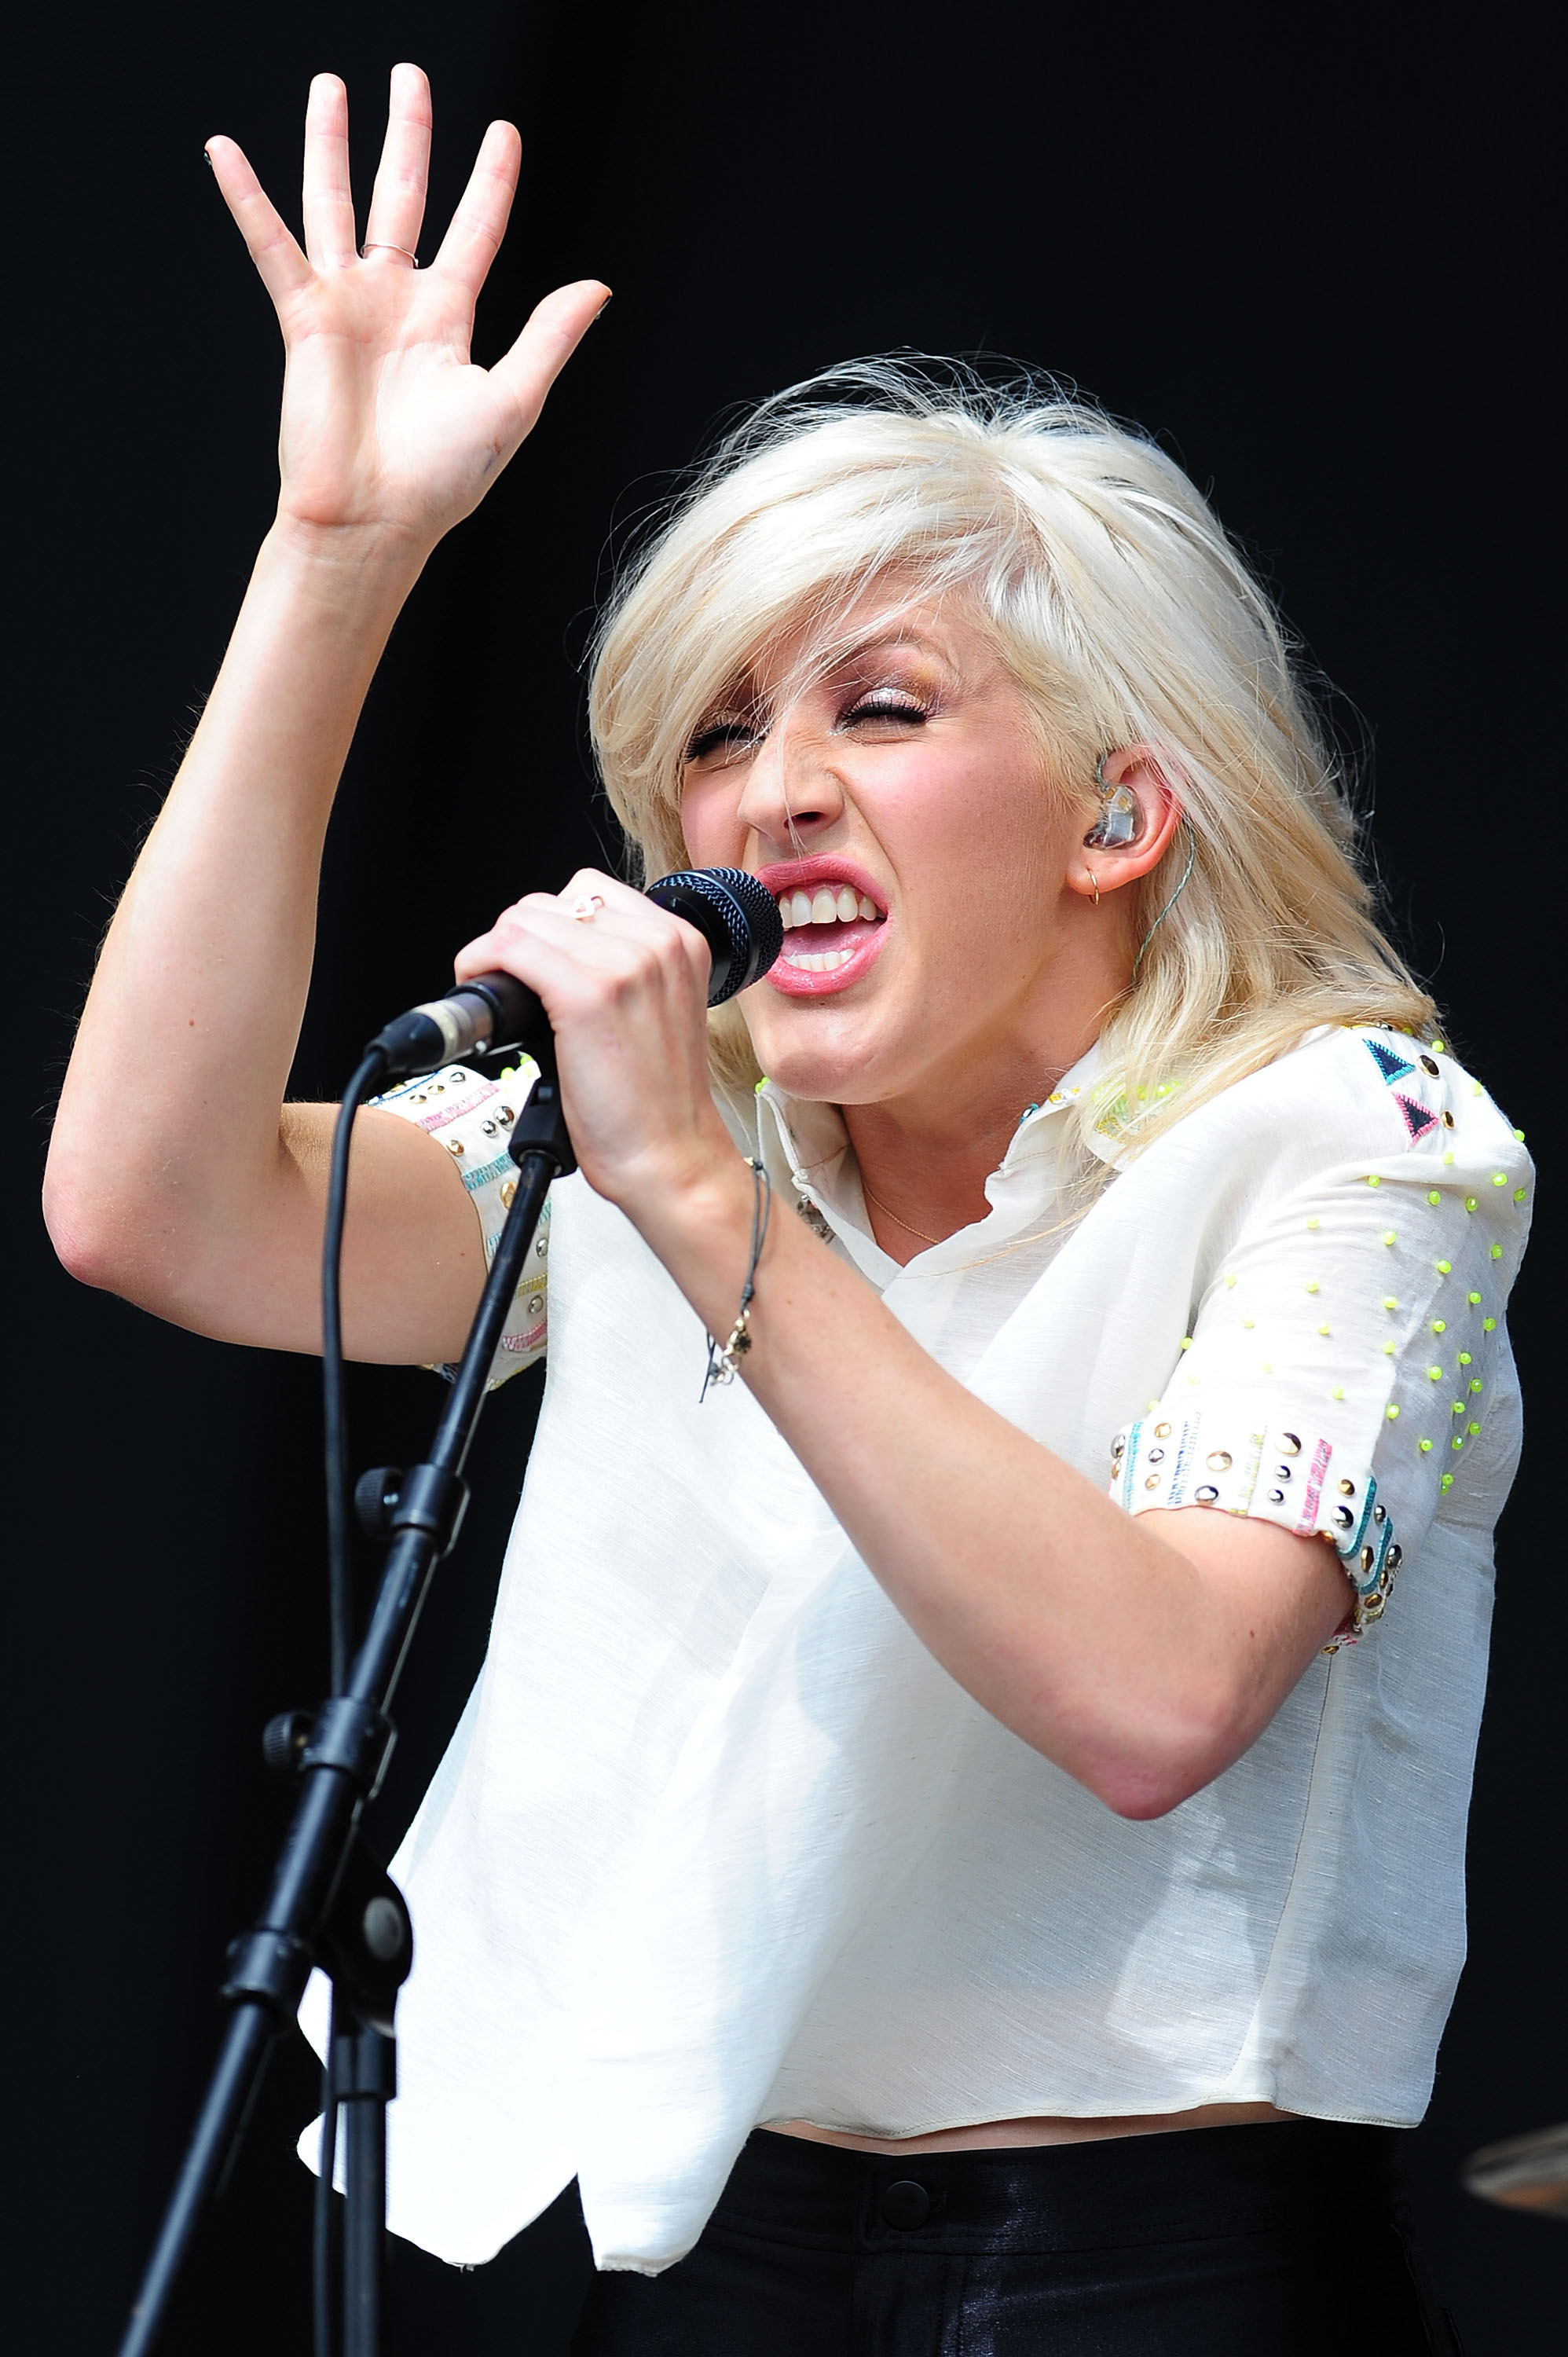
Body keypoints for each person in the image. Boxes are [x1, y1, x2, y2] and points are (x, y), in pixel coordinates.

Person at [44, 64, 1530, 2356]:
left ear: (1117, 811)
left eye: (882, 708)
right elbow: (156, 1203)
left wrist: (697, 1194)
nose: (774, 794)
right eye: (719, 734)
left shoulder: (1357, 1145)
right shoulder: (666, 1154)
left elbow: (1152, 1693)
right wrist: (334, 563)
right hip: (706, 2241)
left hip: (1156, 2262)